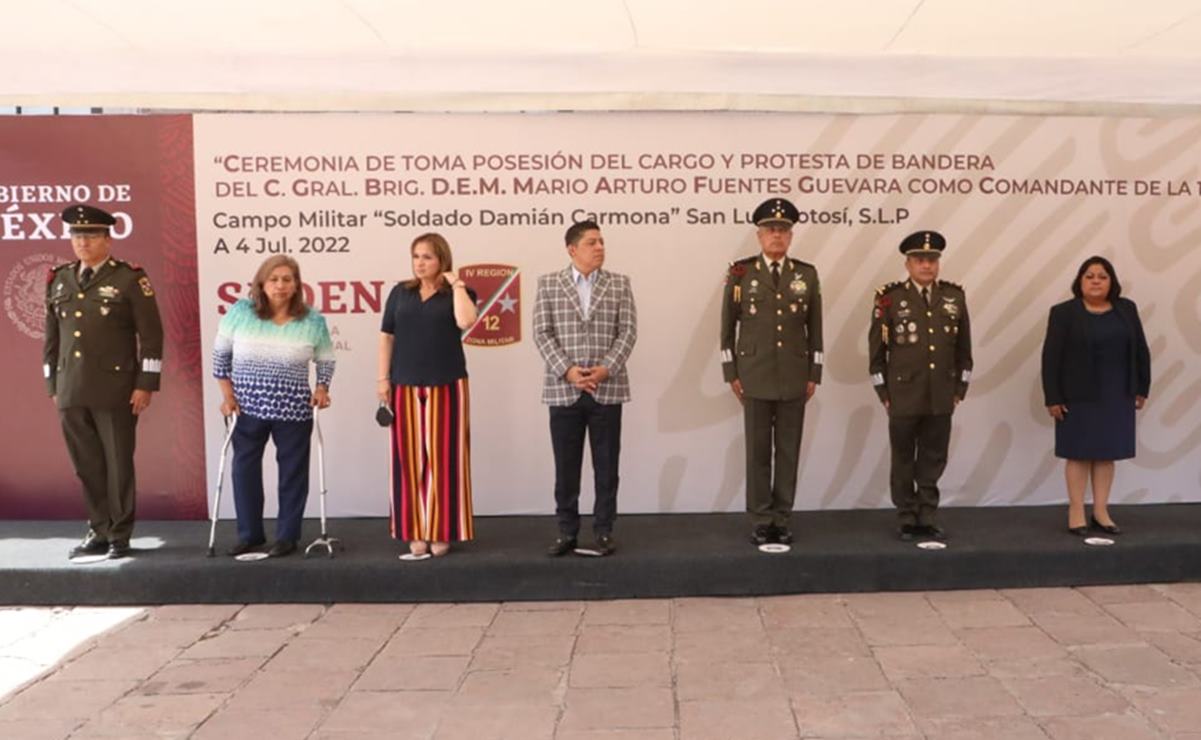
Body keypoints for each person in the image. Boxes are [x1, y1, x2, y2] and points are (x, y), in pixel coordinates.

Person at [45, 204, 164, 560]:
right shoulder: (59, 278)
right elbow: (51, 338)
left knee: (118, 463)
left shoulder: (129, 278)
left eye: (91, 235)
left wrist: (146, 383)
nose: (83, 242)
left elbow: (152, 337)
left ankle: (119, 535)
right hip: (71, 388)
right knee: (87, 464)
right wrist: (53, 385)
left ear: (108, 240)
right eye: (77, 236)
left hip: (116, 389)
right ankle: (97, 528)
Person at [212, 256, 334, 558]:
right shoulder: (242, 312)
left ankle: (287, 536)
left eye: (287, 279)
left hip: (293, 409)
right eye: (274, 279)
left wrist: (321, 388)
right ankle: (250, 535)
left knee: (293, 472)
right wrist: (228, 396)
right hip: (246, 407)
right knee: (244, 470)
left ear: (296, 285)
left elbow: (326, 359)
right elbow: (220, 357)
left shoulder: (312, 320)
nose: (280, 285)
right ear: (262, 284)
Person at [720, 198, 823, 547]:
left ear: (791, 236)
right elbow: (726, 328)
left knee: (789, 451)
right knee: (758, 451)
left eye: (783, 230)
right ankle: (762, 519)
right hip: (754, 374)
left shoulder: (805, 274)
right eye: (770, 230)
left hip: (795, 374)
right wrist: (730, 370)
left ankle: (783, 516)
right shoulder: (741, 273)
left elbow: (816, 328)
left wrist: (815, 373)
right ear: (759, 235)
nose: (776, 236)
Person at [533, 220, 638, 557]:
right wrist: (568, 371)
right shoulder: (549, 284)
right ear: (572, 249)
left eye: (602, 241)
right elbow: (541, 332)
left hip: (607, 390)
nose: (600, 248)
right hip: (564, 391)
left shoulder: (620, 284)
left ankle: (604, 531)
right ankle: (567, 531)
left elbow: (628, 333)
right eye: (592, 242)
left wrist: (606, 369)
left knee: (607, 466)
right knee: (566, 467)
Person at [378, 233, 478, 558]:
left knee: (445, 459)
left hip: (447, 384)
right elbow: (386, 337)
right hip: (404, 384)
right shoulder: (400, 293)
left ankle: (441, 530)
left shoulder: (458, 293)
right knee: (408, 459)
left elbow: (466, 321)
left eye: (428, 257)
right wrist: (383, 379)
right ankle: (414, 530)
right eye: (416, 256)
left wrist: (458, 285)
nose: (420, 263)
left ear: (442, 261)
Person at [868, 231, 972, 541]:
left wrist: (959, 390)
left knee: (933, 456)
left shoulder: (954, 297)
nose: (926, 265)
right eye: (920, 260)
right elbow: (876, 354)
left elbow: (963, 350)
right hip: (903, 394)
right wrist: (884, 393)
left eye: (932, 260)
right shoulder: (889, 297)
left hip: (941, 394)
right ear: (908, 263)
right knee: (903, 457)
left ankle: (927, 514)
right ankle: (906, 516)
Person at [1041, 256, 1150, 536]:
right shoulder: (1064, 312)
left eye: (1102, 276)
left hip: (1117, 392)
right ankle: (1076, 510)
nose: (1096, 281)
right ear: (1080, 281)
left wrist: (1142, 387)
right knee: (1078, 453)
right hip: (1077, 394)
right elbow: (1051, 357)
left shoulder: (1126, 309)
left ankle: (1101, 511)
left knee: (1106, 454)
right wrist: (1052, 397)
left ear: (1111, 281)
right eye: (1089, 276)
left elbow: (1140, 349)